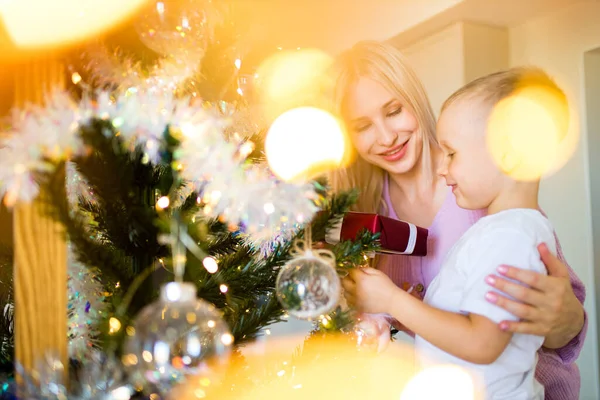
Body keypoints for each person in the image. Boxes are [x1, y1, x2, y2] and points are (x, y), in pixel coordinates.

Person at [329, 41, 586, 399]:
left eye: (393, 111)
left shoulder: (483, 186)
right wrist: (375, 323)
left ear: (413, 99)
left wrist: (566, 318)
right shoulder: (364, 212)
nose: (386, 137)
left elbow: (557, 325)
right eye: (363, 126)